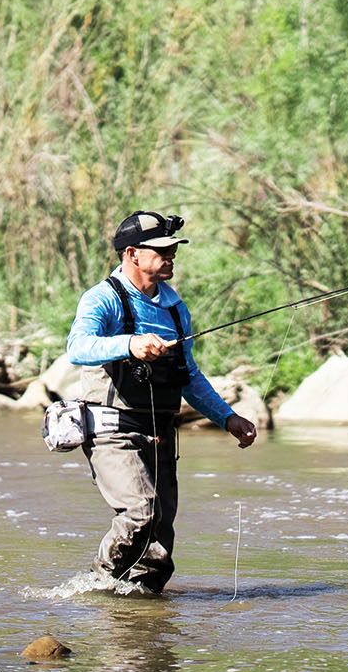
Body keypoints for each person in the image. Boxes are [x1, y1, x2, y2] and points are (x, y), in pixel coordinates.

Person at [66, 210, 256, 592]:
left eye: (173, 250)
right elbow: (78, 346)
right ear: (132, 254)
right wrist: (131, 344)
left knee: (159, 540)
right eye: (163, 250)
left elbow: (190, 376)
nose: (171, 256)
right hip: (112, 429)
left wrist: (227, 418)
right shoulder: (103, 298)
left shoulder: (174, 308)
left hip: (161, 432)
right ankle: (95, 585)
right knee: (141, 513)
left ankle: (141, 615)